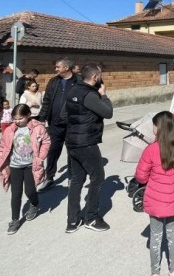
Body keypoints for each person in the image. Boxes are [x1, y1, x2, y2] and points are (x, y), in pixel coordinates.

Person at [135, 112, 174, 276]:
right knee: (173, 234)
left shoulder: (151, 150)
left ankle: (155, 272)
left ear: (157, 128)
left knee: (156, 236)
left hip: (156, 200)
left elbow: (140, 176)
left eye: (153, 125)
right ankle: (173, 270)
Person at [64, 64, 113, 232]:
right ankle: (91, 217)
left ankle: (72, 221)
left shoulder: (72, 90)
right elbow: (108, 113)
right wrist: (104, 95)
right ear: (95, 77)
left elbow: (66, 114)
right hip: (86, 142)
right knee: (98, 177)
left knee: (76, 180)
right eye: (99, 76)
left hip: (72, 140)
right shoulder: (90, 95)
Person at [0, 104, 51, 235]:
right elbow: (3, 146)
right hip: (15, 166)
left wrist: (40, 157)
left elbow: (46, 142)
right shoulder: (9, 130)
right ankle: (15, 220)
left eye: (20, 118)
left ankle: (34, 204)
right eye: (14, 118)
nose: (17, 121)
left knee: (30, 191)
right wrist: (0, 160)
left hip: (31, 165)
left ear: (28, 115)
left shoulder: (38, 128)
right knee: (16, 194)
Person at [37, 57, 80, 190]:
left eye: (58, 67)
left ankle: (72, 177)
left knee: (72, 151)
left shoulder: (79, 81)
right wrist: (42, 118)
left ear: (66, 68)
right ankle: (49, 177)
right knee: (52, 151)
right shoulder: (54, 81)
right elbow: (47, 101)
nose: (55, 69)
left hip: (72, 124)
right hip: (55, 123)